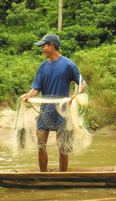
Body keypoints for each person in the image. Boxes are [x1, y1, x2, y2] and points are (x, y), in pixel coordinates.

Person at [21, 34, 86, 172]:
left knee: (63, 147)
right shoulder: (42, 67)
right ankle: (43, 176)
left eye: (43, 46)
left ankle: (62, 177)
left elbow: (82, 83)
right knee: (41, 144)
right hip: (45, 111)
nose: (42, 49)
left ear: (52, 45)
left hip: (63, 112)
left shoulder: (68, 64)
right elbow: (36, 89)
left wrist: (77, 94)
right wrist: (29, 95)